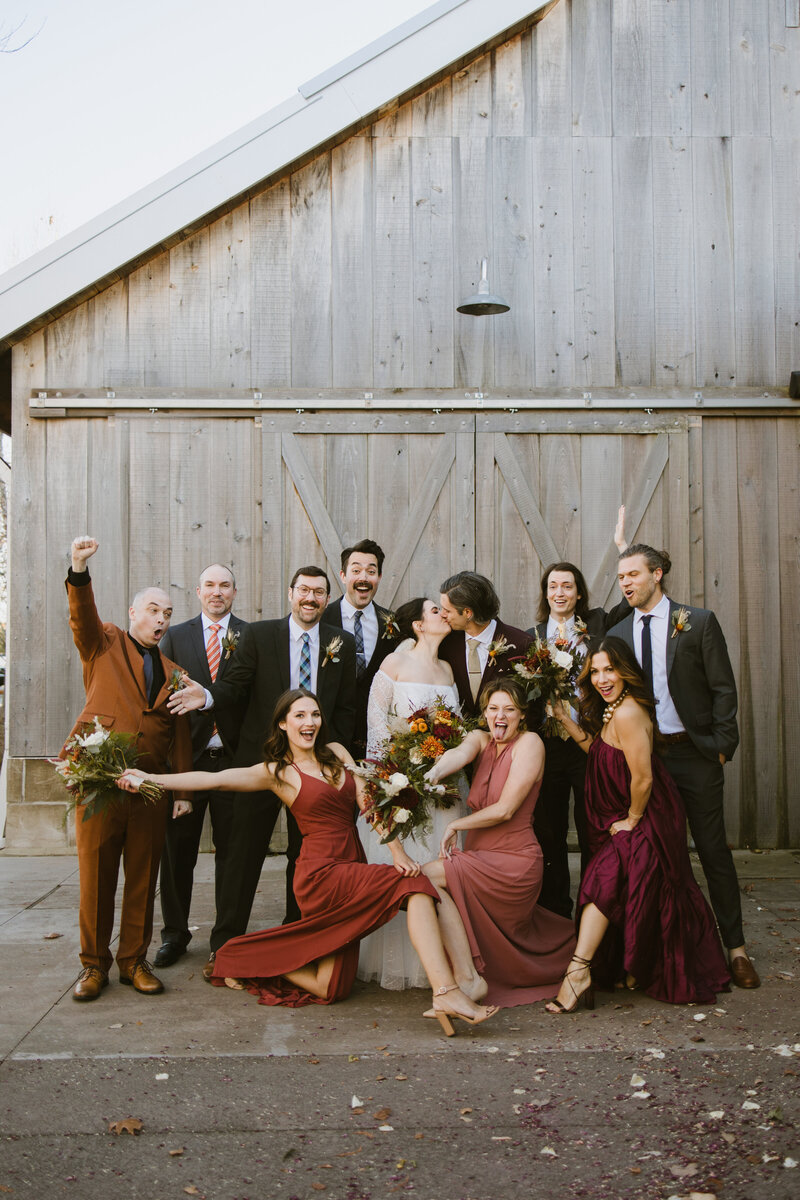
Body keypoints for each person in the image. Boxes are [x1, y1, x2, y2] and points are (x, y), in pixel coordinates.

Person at [119, 689, 497, 1035]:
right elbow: (214, 780)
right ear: (283, 724)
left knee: (329, 988)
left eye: (314, 714)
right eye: (299, 716)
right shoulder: (278, 772)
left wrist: (399, 853)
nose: (309, 722)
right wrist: (152, 778)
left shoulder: (337, 753)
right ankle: (446, 991)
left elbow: (371, 807)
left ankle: (243, 958)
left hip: (351, 861)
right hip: (320, 874)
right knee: (416, 888)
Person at [167, 566, 356, 976]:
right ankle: (226, 943)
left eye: (319, 592)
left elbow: (343, 707)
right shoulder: (259, 635)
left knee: (305, 854)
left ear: (327, 598)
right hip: (261, 759)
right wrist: (206, 697)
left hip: (313, 768)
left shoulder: (342, 642)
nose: (311, 598)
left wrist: (330, 755)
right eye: (303, 590)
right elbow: (234, 686)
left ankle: (297, 936)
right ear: (290, 594)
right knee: (241, 854)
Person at [545, 638, 731, 1012]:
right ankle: (627, 966)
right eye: (595, 671)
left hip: (649, 816)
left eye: (609, 669)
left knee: (603, 876)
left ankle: (577, 973)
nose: (601, 678)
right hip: (627, 814)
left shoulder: (629, 712)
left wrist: (632, 820)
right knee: (613, 881)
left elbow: (643, 778)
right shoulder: (614, 710)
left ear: (626, 671)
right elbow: (600, 749)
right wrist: (565, 718)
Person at [609, 545, 759, 988]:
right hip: (650, 760)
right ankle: (667, 954)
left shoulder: (698, 622)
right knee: (662, 859)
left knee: (713, 852)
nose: (626, 583)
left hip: (696, 755)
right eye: (621, 578)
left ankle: (737, 950)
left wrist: (720, 746)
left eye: (633, 574)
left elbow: (723, 689)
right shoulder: (618, 630)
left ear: (657, 574)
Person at [63, 536, 192, 1002]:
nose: (161, 620)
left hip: (150, 790)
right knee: (95, 876)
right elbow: (81, 619)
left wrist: (181, 792)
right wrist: (79, 568)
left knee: (143, 876)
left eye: (168, 614)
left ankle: (133, 961)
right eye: (154, 610)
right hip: (99, 785)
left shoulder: (176, 672)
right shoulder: (105, 643)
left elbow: (179, 735)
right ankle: (92, 966)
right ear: (135, 612)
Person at [420, 678, 576, 1008]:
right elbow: (458, 754)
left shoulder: (530, 744)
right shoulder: (481, 739)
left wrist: (457, 826)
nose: (499, 716)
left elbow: (505, 810)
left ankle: (467, 979)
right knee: (429, 887)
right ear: (485, 714)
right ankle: (466, 977)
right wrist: (430, 775)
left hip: (514, 862)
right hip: (479, 855)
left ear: (522, 715)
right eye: (493, 709)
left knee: (426, 878)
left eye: (509, 709)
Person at [357, 596, 468, 990]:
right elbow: (378, 725)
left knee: (441, 866)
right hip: (403, 783)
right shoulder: (394, 665)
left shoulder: (448, 669)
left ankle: (441, 963)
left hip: (444, 787)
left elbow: (456, 731)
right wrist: (393, 780)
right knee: (408, 871)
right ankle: (404, 963)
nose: (443, 613)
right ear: (418, 625)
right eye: (435, 611)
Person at [153, 563, 249, 968]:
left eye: (224, 585)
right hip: (186, 761)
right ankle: (175, 934)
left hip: (233, 760)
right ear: (197, 591)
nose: (217, 592)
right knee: (177, 854)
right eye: (209, 585)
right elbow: (163, 704)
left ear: (234, 591)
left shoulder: (251, 637)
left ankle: (226, 939)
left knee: (234, 854)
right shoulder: (175, 638)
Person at [527, 559, 630, 919]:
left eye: (567, 586)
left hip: (589, 743)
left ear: (579, 593)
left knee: (593, 831)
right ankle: (555, 912)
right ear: (546, 593)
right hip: (547, 746)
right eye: (553, 586)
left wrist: (622, 550)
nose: (560, 593)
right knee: (548, 830)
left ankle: (593, 909)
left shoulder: (597, 627)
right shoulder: (531, 637)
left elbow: (629, 600)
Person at [324, 539, 399, 758]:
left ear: (379, 577)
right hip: (330, 737)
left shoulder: (392, 624)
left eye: (371, 571)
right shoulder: (322, 621)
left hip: (377, 739)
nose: (363, 578)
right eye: (356, 570)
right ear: (343, 575)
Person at [438, 572, 534, 720]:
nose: (442, 614)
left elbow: (532, 707)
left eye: (447, 610)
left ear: (468, 613)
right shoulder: (445, 644)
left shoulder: (522, 644)